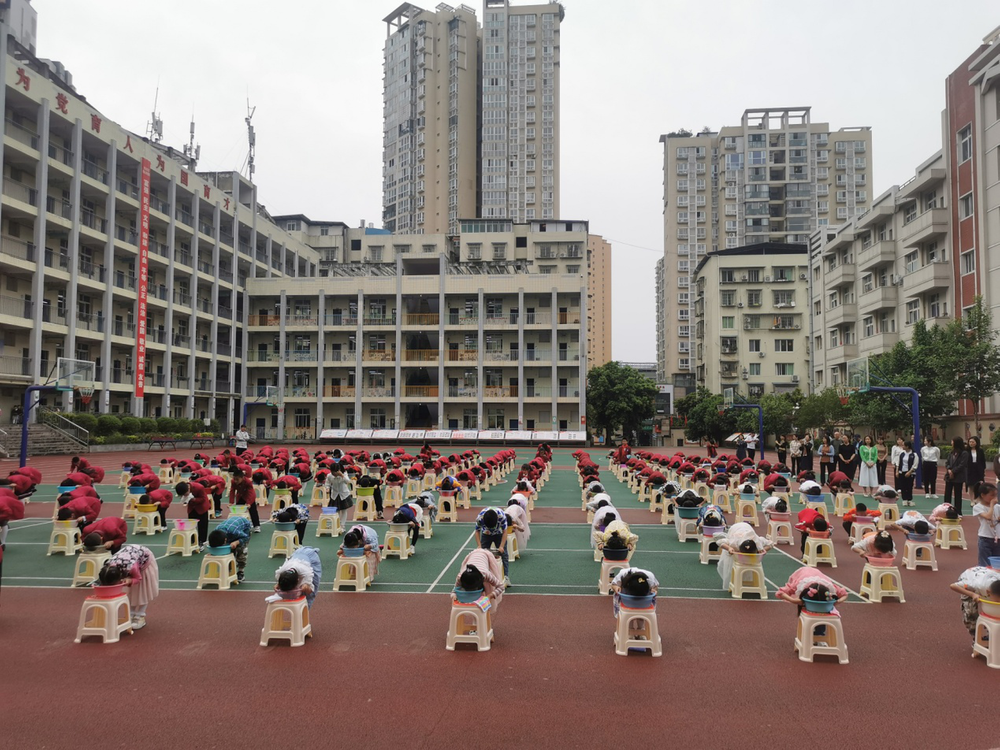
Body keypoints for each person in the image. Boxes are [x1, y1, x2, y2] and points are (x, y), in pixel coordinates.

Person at [98, 544, 159, 631]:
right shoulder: (108, 566)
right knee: (129, 591)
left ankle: (140, 615)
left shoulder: (131, 567)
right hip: (130, 558)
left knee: (143, 590)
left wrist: (130, 580)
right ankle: (130, 614)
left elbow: (138, 578)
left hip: (145, 561)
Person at [714, 521, 774, 588]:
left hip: (747, 528)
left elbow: (771, 543)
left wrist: (764, 550)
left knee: (751, 562)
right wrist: (729, 548)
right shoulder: (734, 542)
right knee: (730, 560)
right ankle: (731, 581)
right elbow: (719, 542)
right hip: (735, 528)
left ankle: (748, 581)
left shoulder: (758, 542)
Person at [776, 567, 849, 618]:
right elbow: (780, 592)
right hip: (802, 573)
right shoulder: (798, 584)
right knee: (807, 614)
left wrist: (837, 601)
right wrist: (793, 600)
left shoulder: (829, 586)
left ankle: (819, 634)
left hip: (817, 574)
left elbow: (845, 594)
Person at [950, 566, 1000, 637]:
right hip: (970, 579)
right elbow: (952, 586)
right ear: (988, 592)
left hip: (986, 574)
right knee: (970, 612)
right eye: (997, 601)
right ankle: (975, 636)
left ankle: (991, 634)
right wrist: (972, 594)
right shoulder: (973, 584)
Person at [453, 548, 505, 613]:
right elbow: (454, 590)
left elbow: (501, 586)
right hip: (473, 555)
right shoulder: (460, 577)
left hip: (484, 556)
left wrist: (489, 596)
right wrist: (454, 596)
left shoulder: (486, 575)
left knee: (488, 588)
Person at [208, 516, 252, 583]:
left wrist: (237, 542)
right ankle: (228, 570)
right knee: (229, 551)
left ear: (225, 539)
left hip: (244, 527)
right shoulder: (215, 532)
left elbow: (246, 537)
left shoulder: (234, 531)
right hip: (230, 528)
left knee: (241, 550)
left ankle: (241, 571)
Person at [475, 508, 509, 584]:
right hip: (486, 534)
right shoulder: (480, 518)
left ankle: (506, 577)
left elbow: (505, 532)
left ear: (497, 519)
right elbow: (477, 531)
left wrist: (501, 546)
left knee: (504, 554)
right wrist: (479, 545)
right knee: (482, 554)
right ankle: (482, 576)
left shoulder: (502, 516)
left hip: (499, 534)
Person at [971, 481, 1000, 568]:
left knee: (997, 564)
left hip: (997, 539)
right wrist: (991, 505)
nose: (994, 498)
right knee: (984, 564)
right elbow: (987, 516)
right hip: (985, 538)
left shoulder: (997, 507)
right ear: (983, 495)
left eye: (995, 495)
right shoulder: (978, 507)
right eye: (992, 495)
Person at [176, 481, 210, 549]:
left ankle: (201, 542)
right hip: (192, 508)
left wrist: (193, 499)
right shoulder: (183, 488)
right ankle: (192, 541)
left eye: (185, 494)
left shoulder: (199, 487)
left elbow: (203, 499)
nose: (184, 496)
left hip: (201, 507)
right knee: (191, 525)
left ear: (188, 488)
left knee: (202, 526)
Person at [325, 464, 354, 530]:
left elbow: (348, 481)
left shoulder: (344, 474)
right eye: (332, 472)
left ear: (338, 471)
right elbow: (327, 483)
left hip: (344, 494)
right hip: (334, 495)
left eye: (334, 472)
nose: (333, 474)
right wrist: (327, 488)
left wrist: (342, 475)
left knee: (344, 510)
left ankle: (342, 525)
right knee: (336, 511)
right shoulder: (329, 476)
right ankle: (336, 524)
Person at [944, 437, 969, 514]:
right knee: (947, 493)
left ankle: (958, 512)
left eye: (952, 441)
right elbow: (947, 462)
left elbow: (962, 465)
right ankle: (946, 510)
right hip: (949, 477)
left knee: (958, 495)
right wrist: (949, 470)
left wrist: (953, 471)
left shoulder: (964, 453)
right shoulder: (951, 452)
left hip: (958, 476)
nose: (951, 443)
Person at [896, 440, 919, 507]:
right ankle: (904, 500)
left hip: (910, 473)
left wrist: (910, 472)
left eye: (903, 445)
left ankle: (909, 499)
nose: (902, 446)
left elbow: (915, 464)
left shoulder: (914, 454)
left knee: (909, 486)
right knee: (903, 486)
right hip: (902, 472)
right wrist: (897, 471)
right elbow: (898, 462)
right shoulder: (902, 453)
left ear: (907, 446)